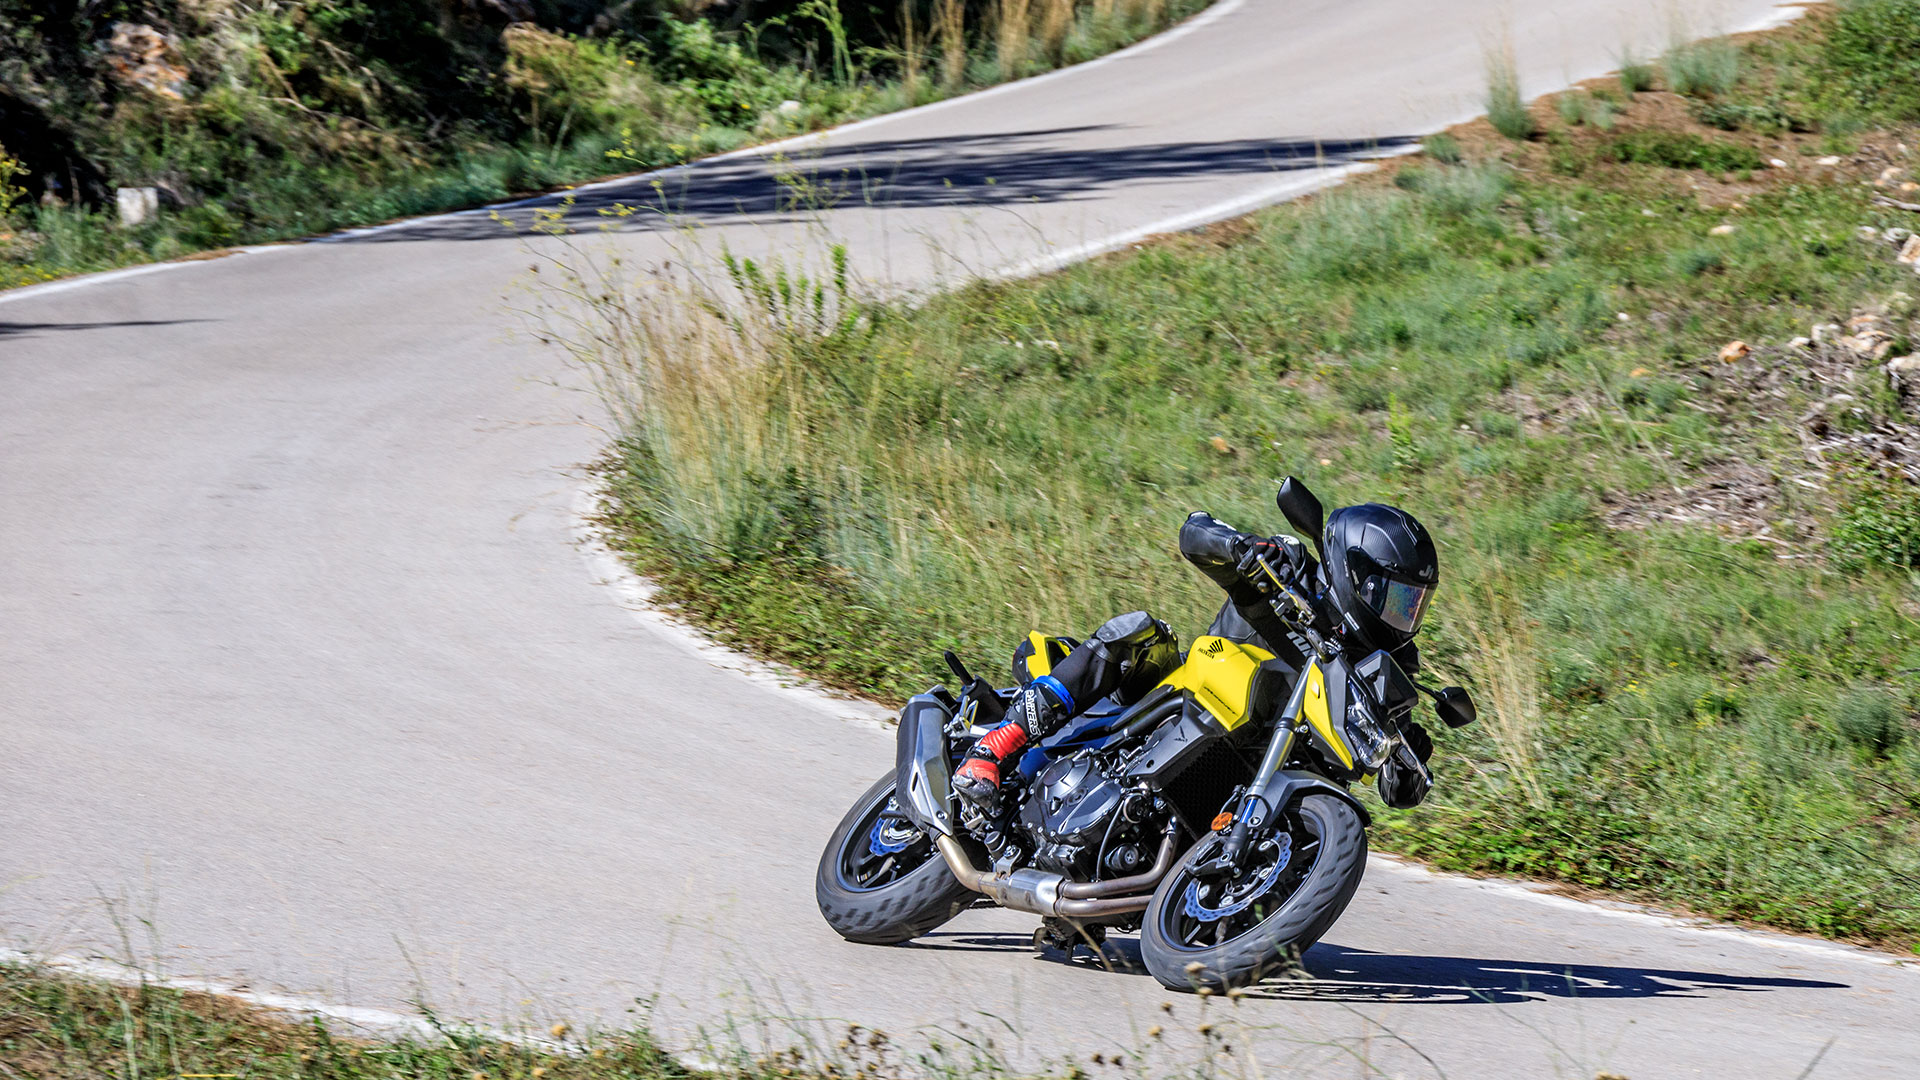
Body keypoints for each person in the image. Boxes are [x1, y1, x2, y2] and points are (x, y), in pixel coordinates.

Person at [951, 502, 1441, 807]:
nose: (1403, 615)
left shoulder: (1392, 669)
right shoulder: (1293, 569)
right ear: (1357, 574)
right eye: (1395, 597)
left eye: (1414, 603)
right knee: (1139, 632)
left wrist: (1407, 758)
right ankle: (993, 747)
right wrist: (1240, 547)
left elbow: (1398, 795)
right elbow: (1194, 532)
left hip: (1257, 773)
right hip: (1184, 698)